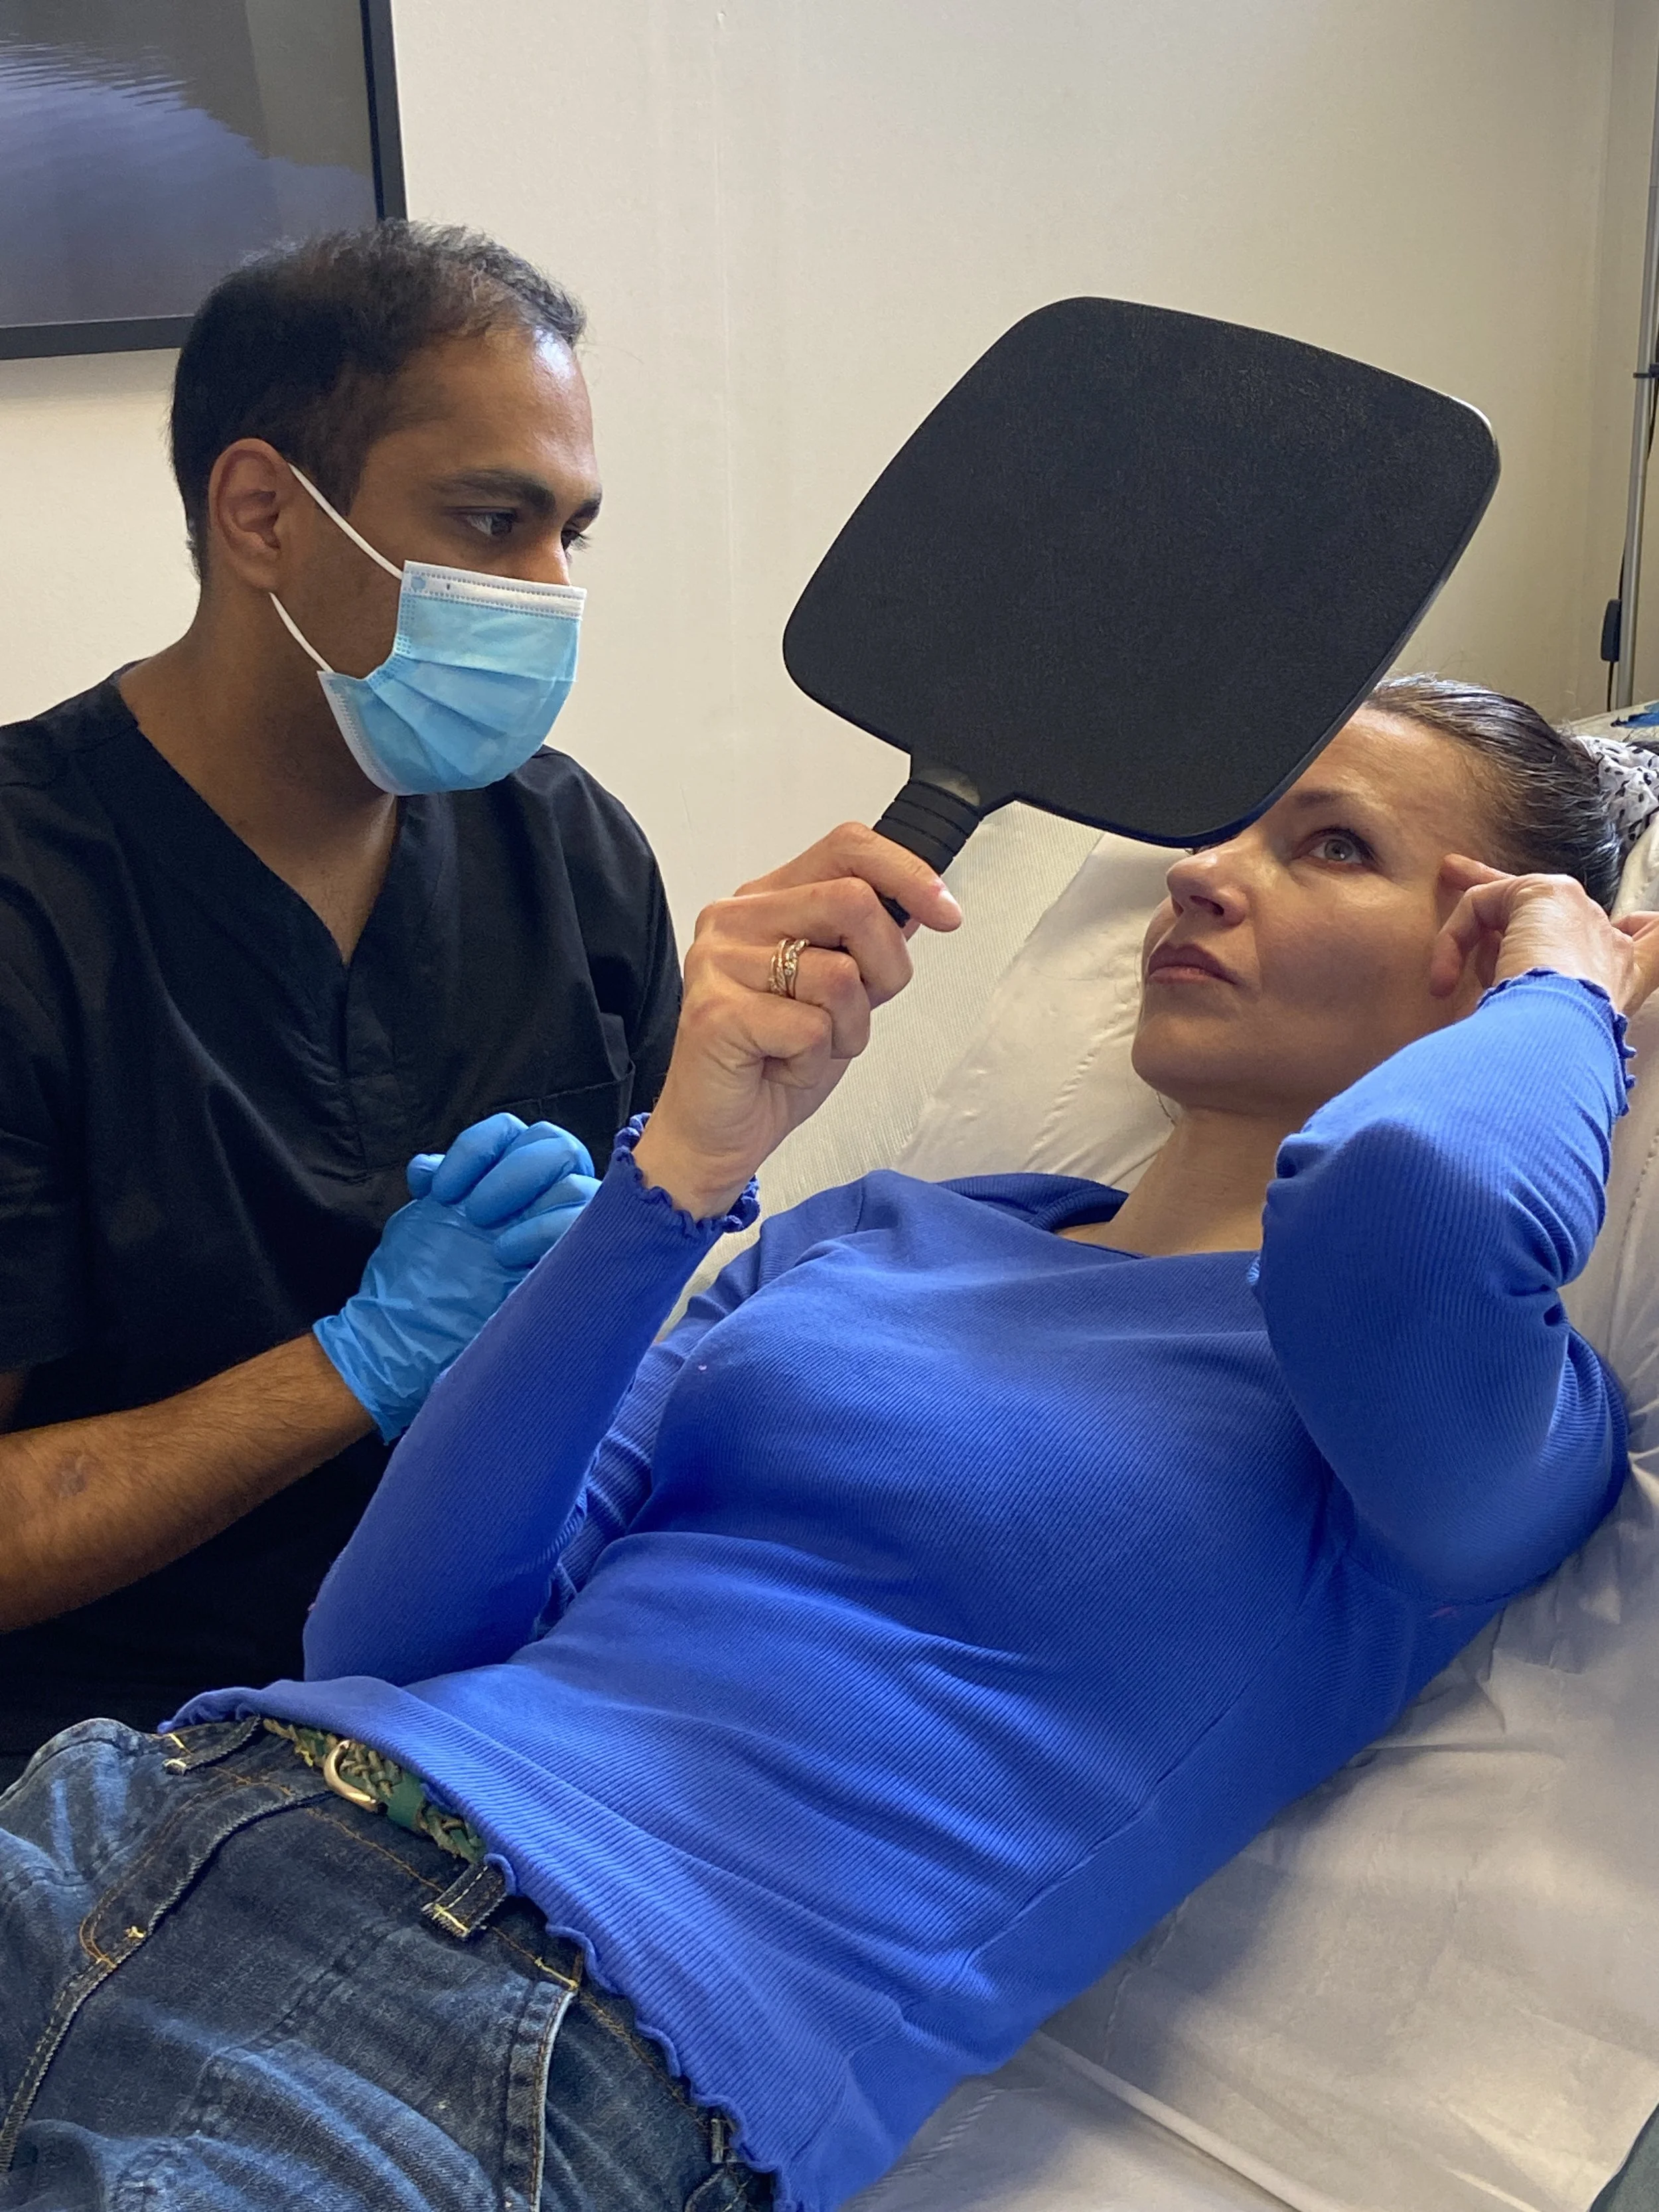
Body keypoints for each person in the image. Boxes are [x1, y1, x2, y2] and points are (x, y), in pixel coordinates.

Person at [4, 678, 1655, 2212]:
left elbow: (1406, 1207)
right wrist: (678, 1179)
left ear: (1490, 959)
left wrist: (1571, 988)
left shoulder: (1460, 1430)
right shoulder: (889, 1229)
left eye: (1330, 847)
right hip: (149, 1809)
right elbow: (392, 1634)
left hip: (517, 2028)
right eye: (1226, 823)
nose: (1206, 875)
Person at [0, 223, 682, 1781]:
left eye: (574, 530)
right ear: (261, 514)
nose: (547, 591)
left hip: (501, 1693)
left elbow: (639, 1345)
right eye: (493, 521)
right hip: (110, 1755)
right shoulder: (35, 898)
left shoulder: (565, 849)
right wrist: (357, 1362)